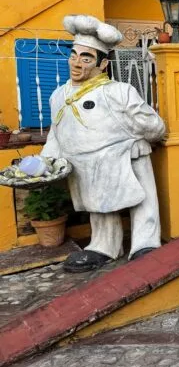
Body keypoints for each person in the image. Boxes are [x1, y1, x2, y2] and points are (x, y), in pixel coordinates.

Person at [40, 15, 166, 273]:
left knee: (143, 198)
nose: (77, 63)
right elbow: (56, 131)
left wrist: (136, 138)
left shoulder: (119, 91)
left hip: (126, 155)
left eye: (86, 58)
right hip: (85, 162)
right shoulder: (58, 95)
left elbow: (153, 125)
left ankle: (146, 243)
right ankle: (104, 246)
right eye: (74, 55)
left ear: (103, 64)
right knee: (98, 204)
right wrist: (47, 160)